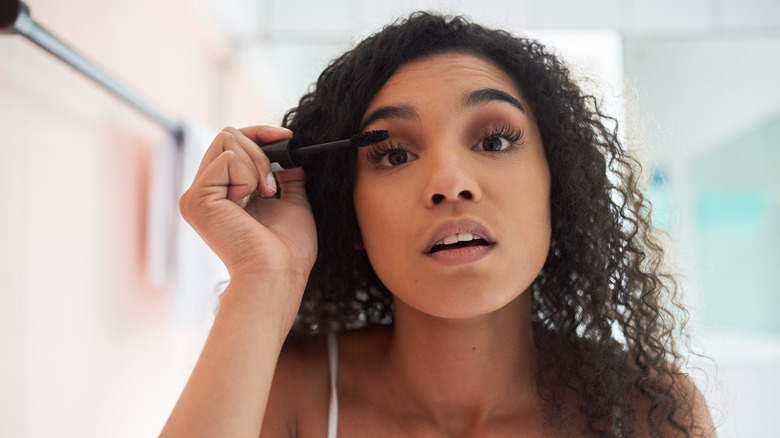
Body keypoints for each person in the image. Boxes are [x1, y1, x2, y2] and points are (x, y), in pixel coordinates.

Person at [161, 12, 715, 438]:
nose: (450, 182)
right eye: (395, 155)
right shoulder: (289, 396)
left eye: (494, 141)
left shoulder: (650, 411)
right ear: (349, 213)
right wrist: (263, 279)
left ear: (560, 192)